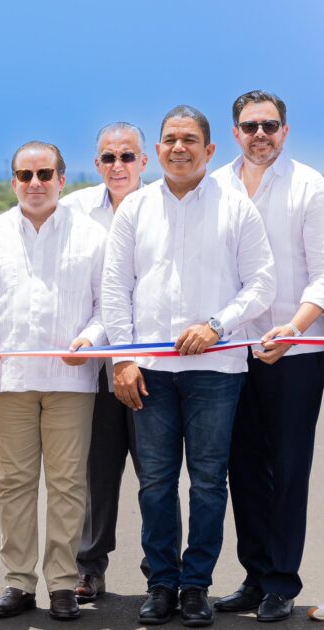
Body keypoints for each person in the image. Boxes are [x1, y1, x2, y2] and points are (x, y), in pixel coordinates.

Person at [103, 105, 275, 627]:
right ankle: (161, 584)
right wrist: (125, 360)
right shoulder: (134, 209)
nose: (180, 147)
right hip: (149, 371)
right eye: (171, 139)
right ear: (157, 151)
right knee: (154, 482)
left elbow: (261, 282)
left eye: (190, 139)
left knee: (206, 483)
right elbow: (116, 289)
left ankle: (196, 585)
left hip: (216, 374)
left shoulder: (237, 206)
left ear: (209, 149)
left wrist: (217, 325)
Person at [0, 141, 106, 622]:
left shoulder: (91, 237)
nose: (35, 184)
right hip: (10, 377)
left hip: (71, 380)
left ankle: (64, 583)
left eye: (44, 174)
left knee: (69, 483)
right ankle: (18, 582)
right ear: (13, 181)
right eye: (25, 175)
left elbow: (104, 307)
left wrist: (90, 340)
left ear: (61, 179)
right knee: (14, 483)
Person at [210, 90, 324, 623]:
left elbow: (323, 272)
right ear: (235, 133)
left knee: (288, 468)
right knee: (243, 468)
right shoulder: (215, 186)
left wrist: (294, 328)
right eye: (250, 126)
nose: (260, 135)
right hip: (231, 349)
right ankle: (255, 577)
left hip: (295, 351)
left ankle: (282, 581)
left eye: (270, 126)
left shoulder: (310, 186)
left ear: (285, 130)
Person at [61, 122, 180, 601]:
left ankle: (162, 571)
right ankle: (89, 566)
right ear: (96, 164)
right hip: (92, 370)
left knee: (158, 475)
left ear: (143, 161)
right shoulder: (73, 210)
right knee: (97, 473)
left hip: (148, 368)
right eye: (108, 158)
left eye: (127, 157)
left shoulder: (163, 208)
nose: (117, 166)